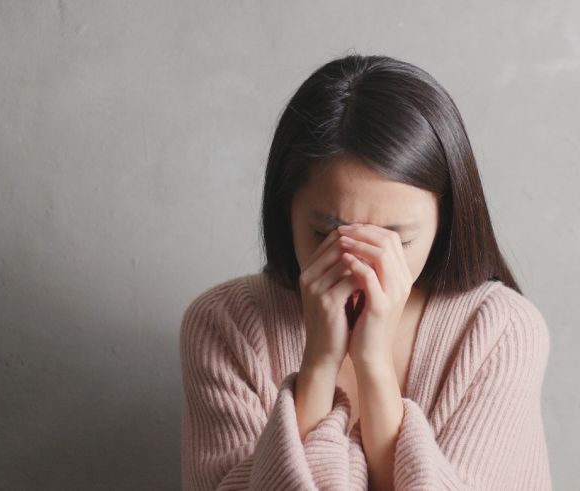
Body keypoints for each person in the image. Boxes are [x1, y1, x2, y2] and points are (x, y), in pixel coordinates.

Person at [179, 53, 552, 490]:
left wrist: (373, 365)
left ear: (445, 220)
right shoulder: (224, 325)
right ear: (286, 210)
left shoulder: (500, 331)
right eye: (325, 235)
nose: (361, 268)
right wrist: (319, 364)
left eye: (399, 240)